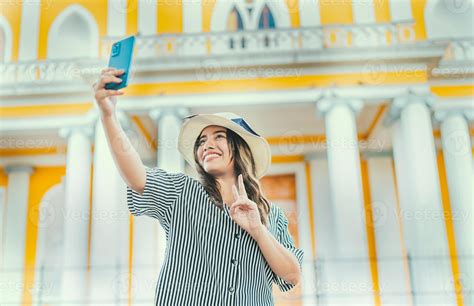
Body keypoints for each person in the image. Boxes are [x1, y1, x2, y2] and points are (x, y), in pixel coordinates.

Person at [93, 68, 304, 305]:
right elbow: (137, 177)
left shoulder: (271, 215)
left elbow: (291, 276)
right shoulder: (181, 191)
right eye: (202, 141)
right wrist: (108, 116)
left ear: (240, 149)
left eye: (219, 137)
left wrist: (258, 230)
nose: (207, 145)